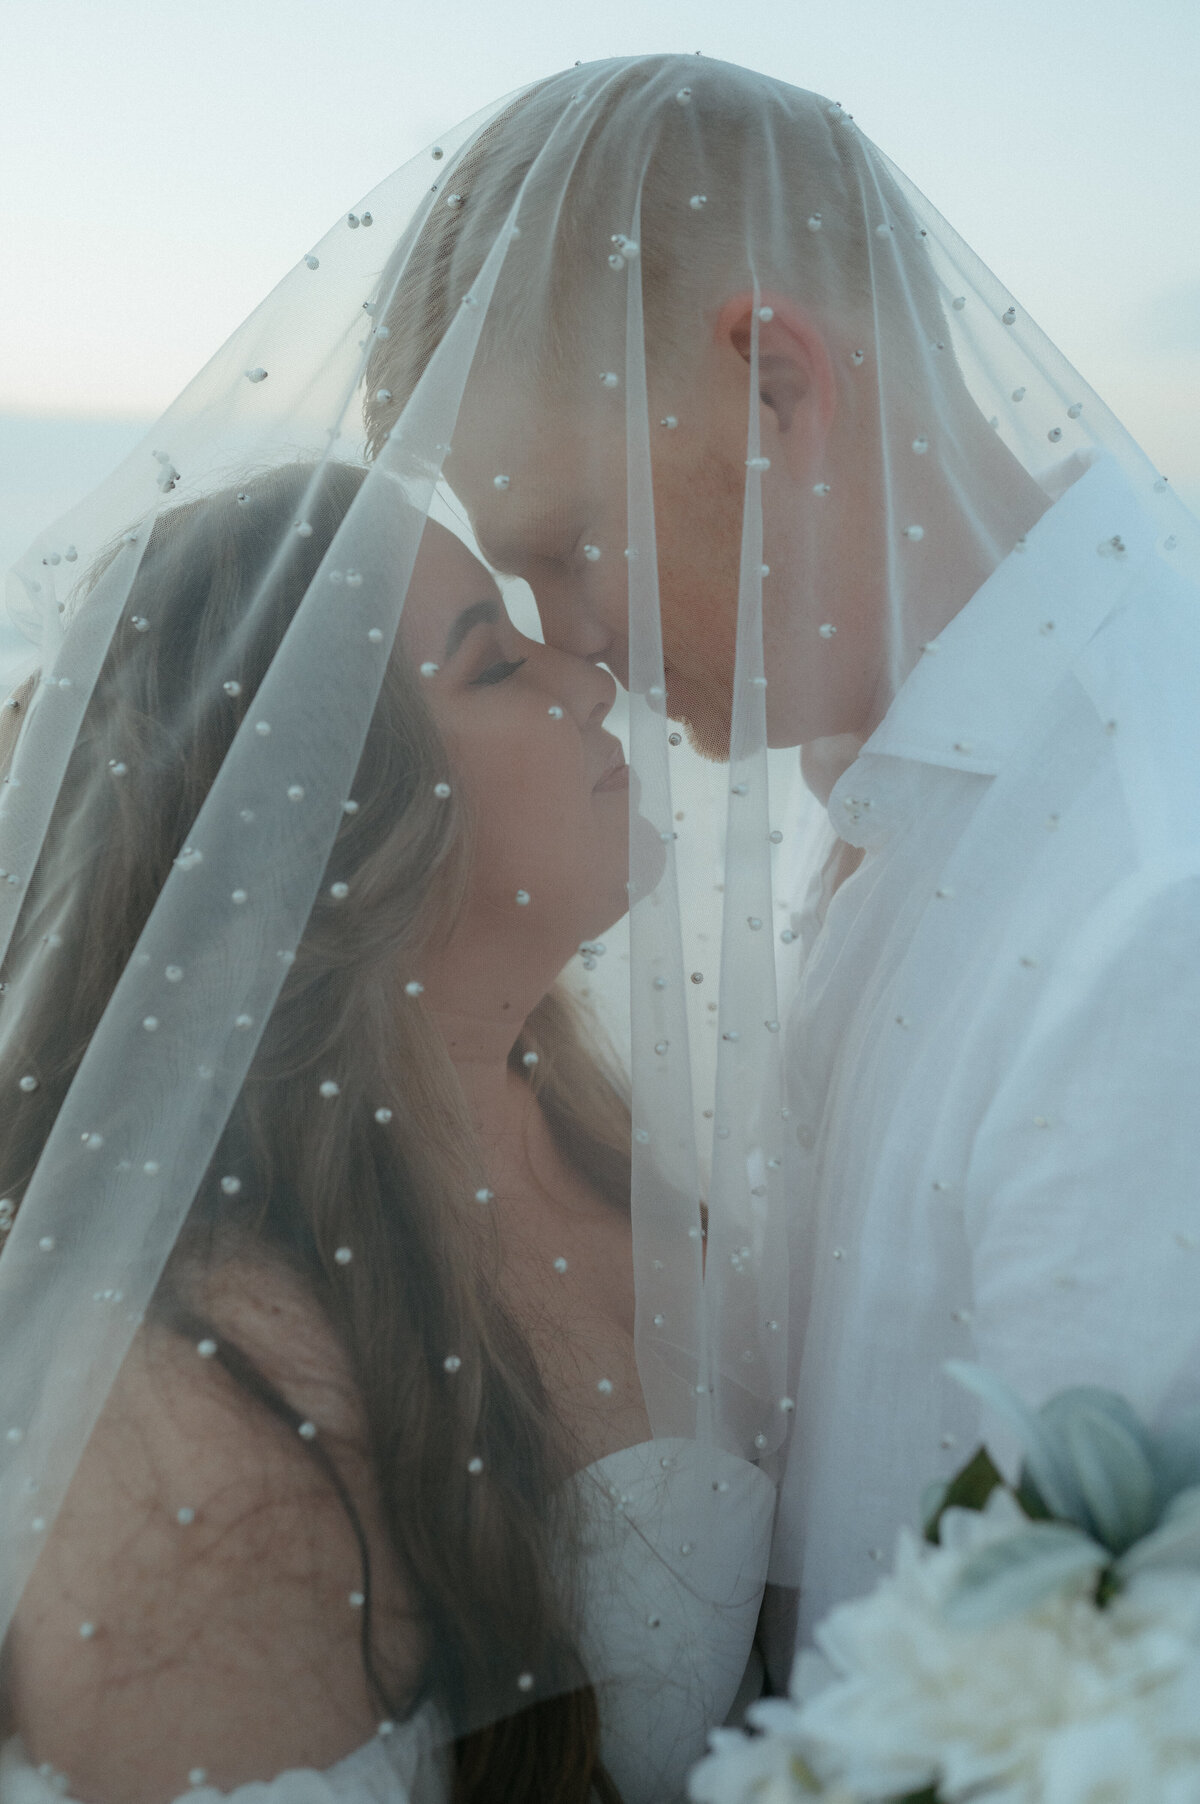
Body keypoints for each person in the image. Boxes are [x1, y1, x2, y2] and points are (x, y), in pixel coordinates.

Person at [362, 54, 1200, 1656]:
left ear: (775, 386)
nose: (581, 648)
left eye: (566, 548)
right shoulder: (915, 778)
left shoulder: (1150, 901)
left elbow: (1096, 1685)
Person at [0, 462, 773, 1804]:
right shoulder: (197, 1404)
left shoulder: (598, 1134)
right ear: (336, 831)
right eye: (491, 664)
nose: (590, 680)